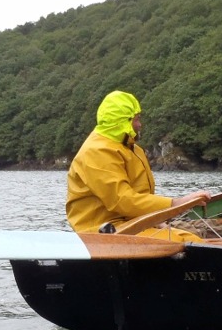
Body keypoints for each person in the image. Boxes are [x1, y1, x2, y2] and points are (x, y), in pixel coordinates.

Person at [66, 91, 211, 242]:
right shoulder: (97, 151)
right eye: (137, 119)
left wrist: (156, 220)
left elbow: (137, 198)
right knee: (184, 243)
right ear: (124, 121)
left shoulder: (131, 148)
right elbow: (122, 200)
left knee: (191, 239)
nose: (140, 124)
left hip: (131, 223)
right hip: (102, 231)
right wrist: (176, 203)